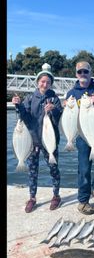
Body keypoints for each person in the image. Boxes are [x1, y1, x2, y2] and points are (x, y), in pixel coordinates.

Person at [12, 64, 63, 213]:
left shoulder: (54, 99)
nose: (45, 84)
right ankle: (32, 198)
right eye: (42, 81)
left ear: (51, 84)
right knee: (33, 171)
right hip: (32, 141)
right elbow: (24, 116)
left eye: (48, 82)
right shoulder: (29, 98)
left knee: (54, 169)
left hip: (50, 141)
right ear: (37, 82)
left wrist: (53, 111)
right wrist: (18, 105)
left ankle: (56, 195)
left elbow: (60, 117)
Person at [65, 61, 94, 215]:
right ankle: (83, 201)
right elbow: (69, 118)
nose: (83, 74)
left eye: (86, 71)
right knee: (84, 169)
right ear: (76, 74)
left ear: (91, 73)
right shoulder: (71, 93)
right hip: (82, 136)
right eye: (80, 72)